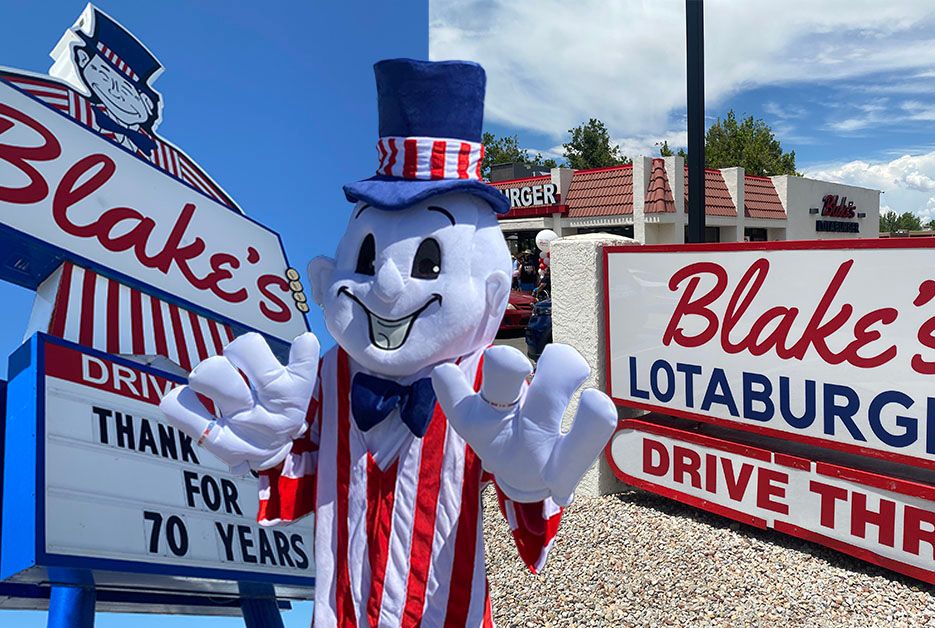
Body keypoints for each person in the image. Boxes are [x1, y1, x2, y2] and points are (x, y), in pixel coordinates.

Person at [161, 59, 617, 627]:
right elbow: (301, 487)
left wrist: (526, 486)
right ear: (328, 275)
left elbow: (527, 505)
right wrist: (271, 450)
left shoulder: (488, 387)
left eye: (429, 263)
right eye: (368, 256)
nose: (387, 285)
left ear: (494, 291)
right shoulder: (326, 375)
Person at [0, 5, 240, 211]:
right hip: (62, 201)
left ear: (148, 104)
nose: (115, 91)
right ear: (83, 65)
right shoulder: (74, 106)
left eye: (129, 90)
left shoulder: (166, 158)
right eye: (102, 75)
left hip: (138, 231)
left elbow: (221, 207)